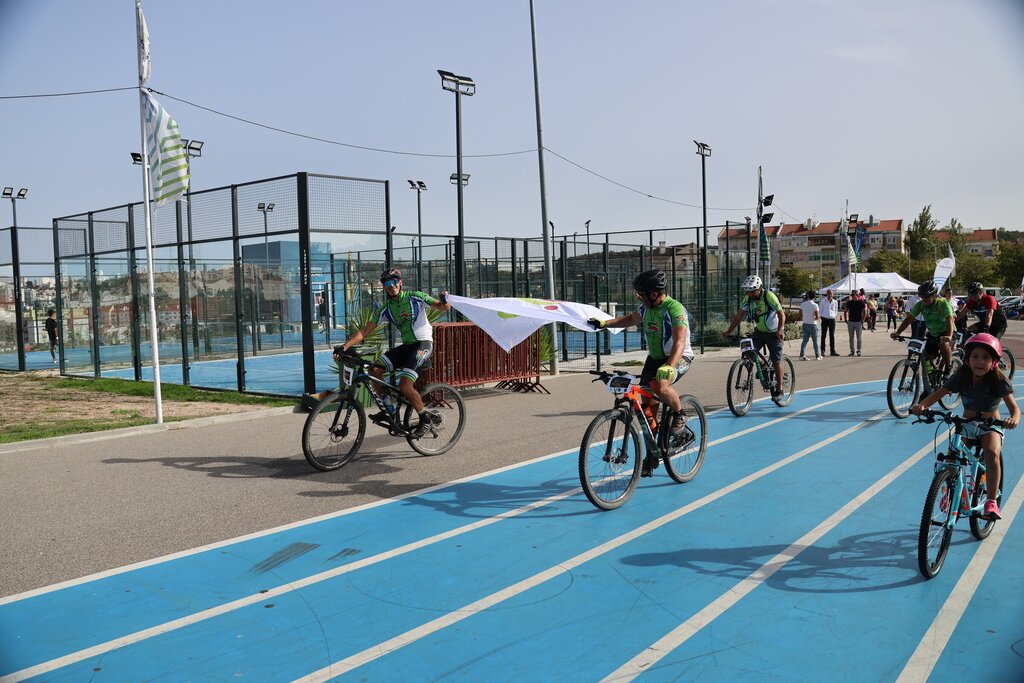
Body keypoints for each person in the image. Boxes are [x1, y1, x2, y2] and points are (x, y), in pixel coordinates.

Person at [588, 269, 694, 476]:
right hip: (654, 359)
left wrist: (670, 365)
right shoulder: (646, 308)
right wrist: (604, 323)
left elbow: (680, 341)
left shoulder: (674, 308)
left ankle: (680, 415)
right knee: (647, 409)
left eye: (641, 294)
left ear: (654, 294)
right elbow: (630, 319)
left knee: (660, 386)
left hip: (678, 356)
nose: (638, 297)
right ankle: (654, 451)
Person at [910, 333, 1019, 519]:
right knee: (952, 458)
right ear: (967, 359)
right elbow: (939, 393)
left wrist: (1013, 419)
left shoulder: (998, 380)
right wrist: (922, 406)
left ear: (994, 362)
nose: (979, 361)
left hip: (990, 426)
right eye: (975, 356)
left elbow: (1014, 409)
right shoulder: (962, 376)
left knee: (991, 452)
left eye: (986, 357)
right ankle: (948, 492)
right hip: (966, 425)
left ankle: (991, 501)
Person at [336, 268, 451, 436]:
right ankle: (389, 410)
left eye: (394, 281)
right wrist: (344, 347)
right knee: (374, 370)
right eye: (387, 283)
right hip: (407, 346)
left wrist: (444, 300)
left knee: (405, 385)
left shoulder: (415, 297)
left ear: (400, 283)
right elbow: (364, 331)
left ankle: (425, 419)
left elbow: (442, 307)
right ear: (384, 287)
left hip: (423, 344)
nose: (392, 285)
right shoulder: (386, 308)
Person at [724, 274, 786, 397]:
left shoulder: (769, 296)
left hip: (774, 332)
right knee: (748, 350)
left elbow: (781, 315)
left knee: (776, 361)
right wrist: (728, 331)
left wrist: (780, 330)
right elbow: (739, 316)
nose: (750, 294)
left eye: (752, 291)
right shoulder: (748, 299)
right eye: (748, 292)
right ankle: (762, 364)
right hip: (760, 331)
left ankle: (779, 388)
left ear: (759, 288)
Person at [890, 279, 955, 370]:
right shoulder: (921, 305)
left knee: (944, 344)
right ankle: (930, 375)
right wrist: (898, 332)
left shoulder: (943, 304)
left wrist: (949, 336)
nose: (924, 299)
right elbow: (908, 319)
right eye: (922, 296)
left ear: (934, 295)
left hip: (947, 331)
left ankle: (948, 368)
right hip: (933, 333)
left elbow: (950, 320)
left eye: (927, 296)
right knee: (927, 359)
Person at [799, 290, 821, 361]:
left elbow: (800, 315)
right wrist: (814, 318)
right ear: (815, 296)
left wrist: (805, 317)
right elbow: (817, 317)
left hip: (805, 323)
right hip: (813, 324)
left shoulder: (803, 304)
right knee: (815, 341)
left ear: (808, 296)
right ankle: (818, 355)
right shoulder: (815, 305)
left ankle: (802, 355)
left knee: (804, 341)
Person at [844, 290, 867, 355]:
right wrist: (845, 319)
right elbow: (845, 311)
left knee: (859, 337)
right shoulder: (849, 302)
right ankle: (852, 350)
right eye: (852, 295)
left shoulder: (861, 302)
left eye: (855, 295)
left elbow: (865, 311)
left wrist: (863, 320)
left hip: (858, 321)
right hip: (851, 321)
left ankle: (859, 350)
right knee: (851, 337)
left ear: (857, 295)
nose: (853, 296)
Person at [819, 288, 839, 356]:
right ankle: (822, 351)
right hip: (825, 319)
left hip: (832, 319)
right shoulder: (823, 301)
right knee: (823, 335)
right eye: (828, 293)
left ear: (833, 294)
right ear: (826, 294)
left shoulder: (835, 302)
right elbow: (820, 311)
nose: (830, 295)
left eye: (831, 293)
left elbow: (836, 310)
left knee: (832, 335)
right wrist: (822, 317)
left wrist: (834, 316)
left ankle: (832, 351)